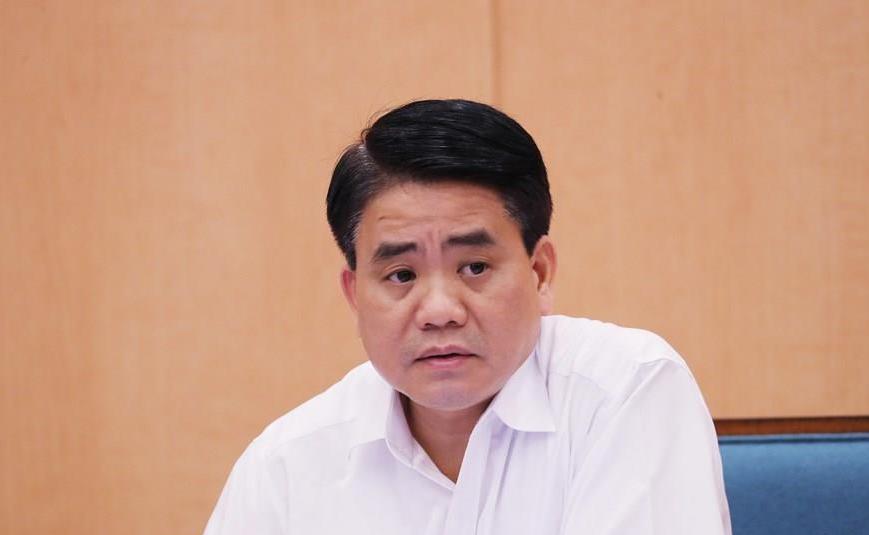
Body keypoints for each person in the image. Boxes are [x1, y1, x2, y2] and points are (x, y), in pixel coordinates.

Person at [203, 99, 732, 534]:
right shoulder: (286, 465)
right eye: (401, 275)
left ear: (540, 273)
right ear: (354, 295)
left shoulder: (626, 390)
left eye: (474, 267)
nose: (439, 311)